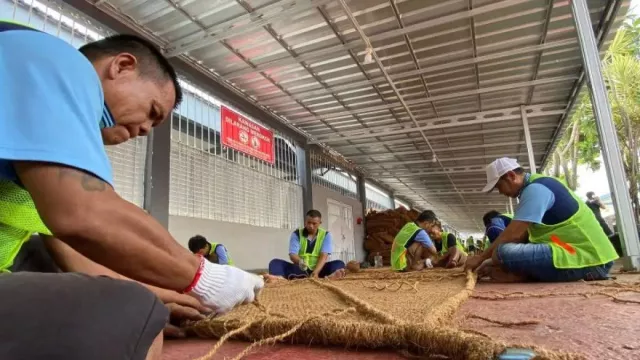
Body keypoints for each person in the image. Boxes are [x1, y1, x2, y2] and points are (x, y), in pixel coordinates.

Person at [0, 22, 263, 359]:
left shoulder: (39, 158)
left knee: (125, 294)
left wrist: (159, 291)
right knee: (133, 310)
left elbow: (71, 251)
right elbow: (83, 216)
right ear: (122, 66)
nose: (143, 130)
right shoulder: (57, 61)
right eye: (152, 113)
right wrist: (204, 279)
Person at [465, 157, 618, 283]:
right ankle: (521, 273)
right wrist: (490, 261)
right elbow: (525, 236)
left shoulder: (536, 189)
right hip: (578, 252)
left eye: (499, 186)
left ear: (511, 176)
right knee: (500, 255)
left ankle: (522, 275)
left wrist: (481, 258)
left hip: (586, 258)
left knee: (503, 252)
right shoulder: (537, 186)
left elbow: (514, 234)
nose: (500, 192)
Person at [268, 210, 346, 279]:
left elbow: (324, 256)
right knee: (275, 263)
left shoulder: (326, 235)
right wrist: (300, 262)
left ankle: (328, 277)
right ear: (305, 221)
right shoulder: (296, 234)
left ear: (320, 223)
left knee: (339, 263)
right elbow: (292, 255)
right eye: (308, 222)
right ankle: (280, 279)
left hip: (319, 269)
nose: (311, 226)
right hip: (301, 269)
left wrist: (316, 272)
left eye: (314, 223)